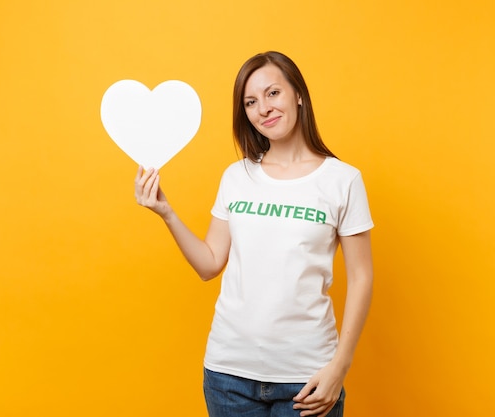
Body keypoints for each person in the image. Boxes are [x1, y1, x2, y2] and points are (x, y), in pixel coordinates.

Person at [134, 51, 374, 417]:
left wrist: (339, 367)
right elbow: (209, 264)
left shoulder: (342, 180)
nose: (263, 108)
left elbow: (361, 277)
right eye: (250, 102)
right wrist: (166, 212)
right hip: (228, 375)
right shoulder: (237, 176)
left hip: (306, 376)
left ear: (298, 94)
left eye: (273, 93)